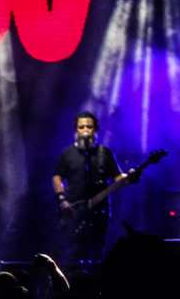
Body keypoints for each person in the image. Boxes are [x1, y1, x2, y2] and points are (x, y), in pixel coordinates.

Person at [51, 111, 132, 262]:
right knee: (73, 253)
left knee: (97, 251)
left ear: (95, 129)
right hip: (74, 211)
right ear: (76, 130)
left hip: (99, 211)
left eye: (89, 127)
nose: (85, 130)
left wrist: (129, 177)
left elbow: (118, 177)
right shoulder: (67, 154)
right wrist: (61, 198)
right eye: (81, 127)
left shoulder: (104, 153)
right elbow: (57, 176)